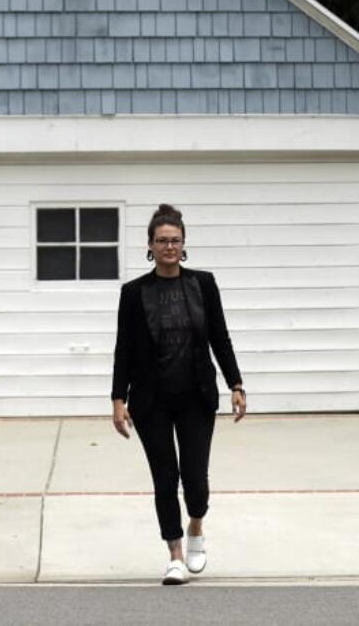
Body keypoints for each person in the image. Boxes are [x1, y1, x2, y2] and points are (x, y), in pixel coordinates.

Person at [110, 203, 246, 585]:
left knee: (196, 479)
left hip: (196, 396)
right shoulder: (134, 293)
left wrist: (236, 383)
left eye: (175, 240)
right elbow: (124, 349)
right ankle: (174, 554)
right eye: (161, 241)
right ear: (150, 246)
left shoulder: (203, 284)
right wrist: (118, 399)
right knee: (165, 479)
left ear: (184, 245)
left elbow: (220, 337)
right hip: (151, 401)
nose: (169, 246)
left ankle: (196, 526)